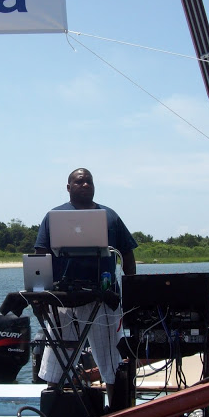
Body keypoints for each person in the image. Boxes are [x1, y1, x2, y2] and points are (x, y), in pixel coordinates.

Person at [34, 168, 138, 403]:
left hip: (104, 300)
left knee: (111, 363)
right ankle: (53, 413)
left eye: (89, 182)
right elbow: (41, 255)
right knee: (57, 363)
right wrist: (40, 295)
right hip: (63, 301)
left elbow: (128, 254)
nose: (85, 185)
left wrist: (132, 289)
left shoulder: (110, 215)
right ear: (68, 187)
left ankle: (116, 413)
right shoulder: (53, 216)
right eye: (79, 182)